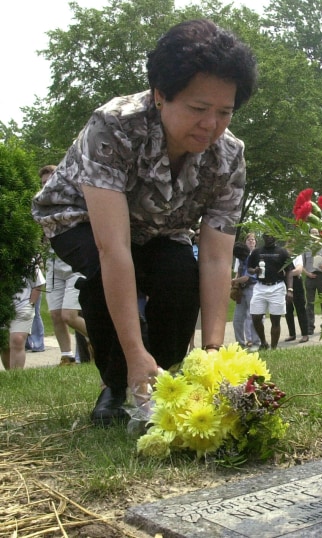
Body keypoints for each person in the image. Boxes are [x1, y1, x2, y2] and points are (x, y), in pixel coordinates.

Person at [32, 19, 257, 427]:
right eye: (198, 109)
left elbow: (215, 259)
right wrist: (135, 355)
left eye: (225, 112)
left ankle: (166, 378)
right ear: (160, 96)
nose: (211, 125)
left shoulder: (229, 156)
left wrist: (211, 352)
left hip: (159, 228)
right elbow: (113, 248)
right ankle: (118, 385)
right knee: (108, 279)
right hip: (77, 218)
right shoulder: (114, 125)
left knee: (179, 276)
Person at [38, 165, 91, 365]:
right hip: (54, 265)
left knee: (68, 315)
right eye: (43, 183)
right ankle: (67, 356)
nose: (45, 186)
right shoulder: (41, 207)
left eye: (49, 182)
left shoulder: (73, 201)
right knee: (55, 315)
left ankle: (101, 340)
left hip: (74, 266)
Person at [248, 234, 294, 350]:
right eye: (267, 236)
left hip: (277, 287)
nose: (269, 237)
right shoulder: (257, 252)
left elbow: (289, 271)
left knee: (275, 319)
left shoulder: (282, 252)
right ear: (263, 237)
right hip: (260, 287)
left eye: (271, 236)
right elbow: (249, 268)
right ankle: (263, 342)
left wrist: (290, 289)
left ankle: (273, 347)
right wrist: (255, 270)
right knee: (256, 317)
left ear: (275, 237)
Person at [2, 263, 45, 370]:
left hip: (23, 305)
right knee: (4, 345)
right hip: (3, 307)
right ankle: (9, 375)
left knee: (17, 340)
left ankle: (15, 376)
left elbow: (38, 283)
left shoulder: (26, 258)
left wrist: (31, 304)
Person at [232, 233, 260, 347]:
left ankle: (256, 342)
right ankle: (240, 344)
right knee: (237, 319)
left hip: (252, 288)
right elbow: (239, 274)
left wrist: (233, 281)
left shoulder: (251, 258)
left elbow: (247, 278)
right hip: (242, 291)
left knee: (254, 317)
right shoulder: (241, 260)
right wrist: (236, 280)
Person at [302, 229, 322, 335]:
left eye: (316, 233)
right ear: (309, 234)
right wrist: (307, 274)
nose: (314, 234)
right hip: (310, 277)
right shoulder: (305, 248)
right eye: (312, 233)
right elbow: (301, 265)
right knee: (309, 303)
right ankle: (310, 327)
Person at [284, 253, 309, 343]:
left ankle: (305, 334)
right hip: (285, 284)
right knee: (288, 310)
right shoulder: (283, 255)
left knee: (300, 309)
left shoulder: (297, 256)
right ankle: (292, 334)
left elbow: (298, 270)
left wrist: (286, 273)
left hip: (297, 283)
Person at [25, 254, 46, 352]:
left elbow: (39, 282)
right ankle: (27, 343)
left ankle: (38, 344)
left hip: (33, 285)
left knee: (34, 313)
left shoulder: (29, 255)